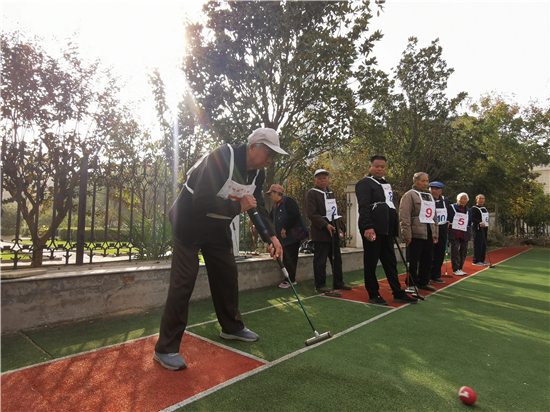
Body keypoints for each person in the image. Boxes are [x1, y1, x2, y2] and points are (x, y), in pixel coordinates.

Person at [154, 128, 286, 371]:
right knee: (184, 282)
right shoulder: (223, 157)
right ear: (253, 146)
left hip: (216, 228)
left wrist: (272, 237)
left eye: (273, 155)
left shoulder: (258, 173)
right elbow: (201, 199)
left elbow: (256, 206)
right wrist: (238, 207)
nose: (270, 159)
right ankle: (165, 348)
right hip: (189, 225)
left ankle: (232, 327)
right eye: (268, 153)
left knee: (227, 275)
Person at [355, 155, 418, 305]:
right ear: (370, 167)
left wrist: (393, 228)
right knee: (371, 262)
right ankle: (373, 294)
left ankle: (398, 292)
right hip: (373, 229)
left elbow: (389, 205)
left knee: (390, 262)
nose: (380, 169)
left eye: (382, 167)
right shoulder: (364, 183)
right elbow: (363, 207)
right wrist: (368, 226)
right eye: (377, 166)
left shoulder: (385, 184)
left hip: (387, 229)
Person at [306, 169, 352, 293]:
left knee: (336, 259)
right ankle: (320, 284)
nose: (322, 180)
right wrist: (325, 225)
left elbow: (334, 211)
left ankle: (338, 282)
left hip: (334, 231)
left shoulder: (331, 192)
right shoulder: (312, 193)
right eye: (319, 178)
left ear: (328, 179)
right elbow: (311, 214)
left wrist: (339, 227)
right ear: (315, 180)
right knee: (320, 260)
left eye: (325, 178)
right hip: (321, 232)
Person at [399, 172, 439, 292]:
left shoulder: (429, 196)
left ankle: (424, 281)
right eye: (423, 181)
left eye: (427, 181)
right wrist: (407, 234)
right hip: (415, 233)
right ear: (415, 182)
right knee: (413, 259)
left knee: (427, 258)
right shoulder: (409, 195)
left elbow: (434, 216)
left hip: (428, 232)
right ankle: (411, 282)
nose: (426, 184)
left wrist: (435, 233)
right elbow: (404, 215)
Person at [267, 184, 309, 288]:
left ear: (277, 193)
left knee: (291, 257)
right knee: (285, 257)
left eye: (271, 194)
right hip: (283, 238)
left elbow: (294, 215)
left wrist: (285, 228)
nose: (270, 196)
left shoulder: (288, 201)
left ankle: (291, 280)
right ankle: (288, 279)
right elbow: (269, 219)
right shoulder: (275, 206)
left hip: (292, 236)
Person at [429, 181, 450, 283]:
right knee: (429, 252)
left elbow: (449, 212)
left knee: (440, 252)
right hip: (431, 228)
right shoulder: (427, 199)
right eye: (432, 188)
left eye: (436, 189)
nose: (434, 191)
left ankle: (436, 275)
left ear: (441, 191)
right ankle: (426, 275)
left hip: (442, 228)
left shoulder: (445, 200)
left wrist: (448, 221)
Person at [448, 192, 472, 276]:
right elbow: (448, 217)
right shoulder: (451, 207)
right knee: (455, 250)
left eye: (465, 199)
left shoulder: (469, 210)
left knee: (464, 251)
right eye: (461, 199)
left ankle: (460, 268)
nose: (463, 201)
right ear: (457, 199)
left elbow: (469, 222)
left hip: (465, 233)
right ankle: (455, 268)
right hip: (454, 232)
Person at [472, 194, 490, 266]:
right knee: (478, 245)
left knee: (483, 244)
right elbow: (472, 218)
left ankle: (482, 259)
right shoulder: (474, 209)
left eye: (483, 198)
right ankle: (476, 260)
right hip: (478, 229)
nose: (481, 200)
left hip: (485, 229)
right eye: (480, 198)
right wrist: (479, 222)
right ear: (476, 200)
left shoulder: (484, 208)